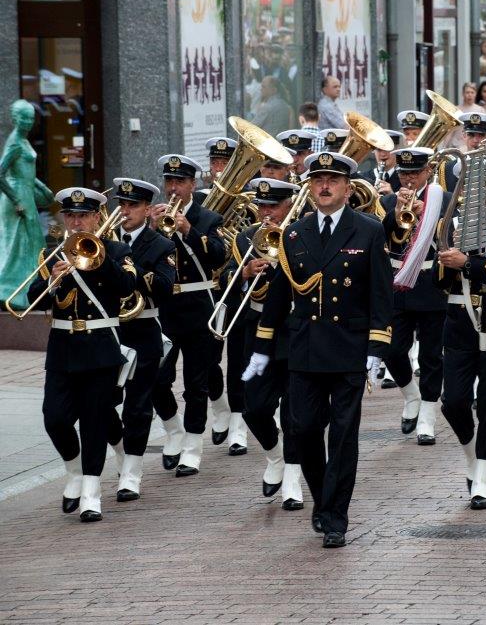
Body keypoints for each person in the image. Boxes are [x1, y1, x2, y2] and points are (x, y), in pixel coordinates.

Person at [242, 151, 393, 549]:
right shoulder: (295, 233)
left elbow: (381, 294)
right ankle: (323, 497)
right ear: (309, 186)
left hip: (349, 348)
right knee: (304, 429)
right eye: (318, 180)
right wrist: (262, 347)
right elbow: (279, 295)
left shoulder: (368, 230)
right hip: (305, 348)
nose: (324, 187)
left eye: (332, 180)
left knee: (342, 436)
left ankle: (335, 517)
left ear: (347, 187)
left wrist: (377, 346)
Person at [29, 187, 138, 521]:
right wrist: (52, 281)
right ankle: (74, 471)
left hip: (101, 348)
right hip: (63, 349)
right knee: (55, 418)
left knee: (94, 421)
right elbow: (32, 298)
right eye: (71, 216)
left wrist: (99, 261)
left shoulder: (116, 250)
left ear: (96, 217)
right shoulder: (51, 254)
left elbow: (126, 287)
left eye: (83, 216)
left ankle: (92, 493)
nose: (77, 223)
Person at [433, 199, 486, 509]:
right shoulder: (451, 228)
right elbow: (438, 282)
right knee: (454, 400)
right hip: (459, 323)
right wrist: (449, 256)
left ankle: (484, 474)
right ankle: (471, 453)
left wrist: (467, 263)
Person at [231, 177, 306, 510]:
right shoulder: (246, 238)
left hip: (295, 330)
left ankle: (293, 476)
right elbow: (226, 282)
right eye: (262, 206)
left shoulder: (303, 234)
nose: (266, 213)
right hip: (259, 331)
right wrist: (245, 274)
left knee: (294, 410)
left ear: (289, 206)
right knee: (255, 407)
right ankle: (275, 456)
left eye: (273, 206)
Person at [149, 154, 226, 477]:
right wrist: (151, 231)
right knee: (156, 379)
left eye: (180, 181)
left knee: (196, 383)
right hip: (165, 309)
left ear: (193, 184)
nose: (173, 188)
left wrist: (188, 230)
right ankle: (173, 430)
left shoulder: (208, 218)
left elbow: (218, 256)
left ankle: (193, 448)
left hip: (197, 307)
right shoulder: (154, 218)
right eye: (169, 181)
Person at [106, 178, 175, 502]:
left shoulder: (161, 245)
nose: (125, 210)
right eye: (122, 204)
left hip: (144, 329)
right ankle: (122, 450)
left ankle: (132, 473)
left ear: (147, 210)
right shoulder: (103, 241)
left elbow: (165, 287)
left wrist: (132, 269)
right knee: (101, 403)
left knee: (137, 406)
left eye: (133, 205)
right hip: (109, 330)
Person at [381, 148, 452, 444]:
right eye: (404, 173)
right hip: (398, 283)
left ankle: (427, 415)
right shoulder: (388, 200)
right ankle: (411, 395)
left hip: (430, 282)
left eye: (414, 173)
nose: (408, 179)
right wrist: (396, 213)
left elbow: (452, 238)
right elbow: (379, 237)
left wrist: (429, 218)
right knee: (392, 349)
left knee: (431, 354)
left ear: (427, 172)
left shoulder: (443, 199)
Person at [0, 100, 52, 309]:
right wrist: (16, 200)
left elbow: (27, 173)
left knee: (31, 244)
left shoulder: (23, 140)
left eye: (31, 118)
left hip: (26, 194)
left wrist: (42, 188)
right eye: (24, 118)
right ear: (15, 119)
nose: (28, 122)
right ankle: (10, 291)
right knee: (15, 246)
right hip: (17, 199)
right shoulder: (14, 142)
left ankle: (31, 290)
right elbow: (1, 173)